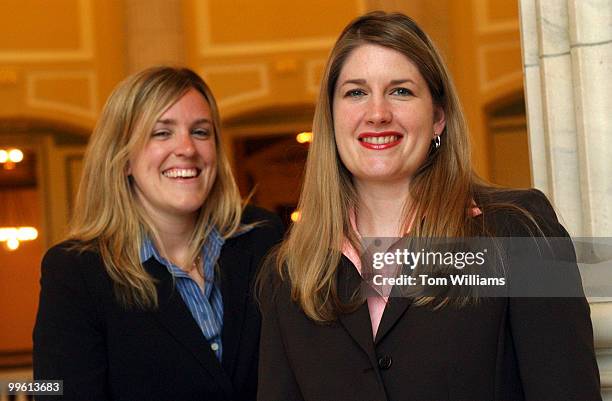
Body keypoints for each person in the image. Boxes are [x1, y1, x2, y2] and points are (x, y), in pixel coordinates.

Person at [257, 11, 601, 401]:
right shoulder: (288, 275)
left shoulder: (516, 231)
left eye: (401, 91)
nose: (377, 113)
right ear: (331, 118)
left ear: (437, 117)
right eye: (356, 92)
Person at [33, 67, 283, 400]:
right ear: (123, 159)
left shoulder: (264, 238)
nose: (187, 148)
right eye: (162, 133)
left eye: (200, 131)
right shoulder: (75, 272)